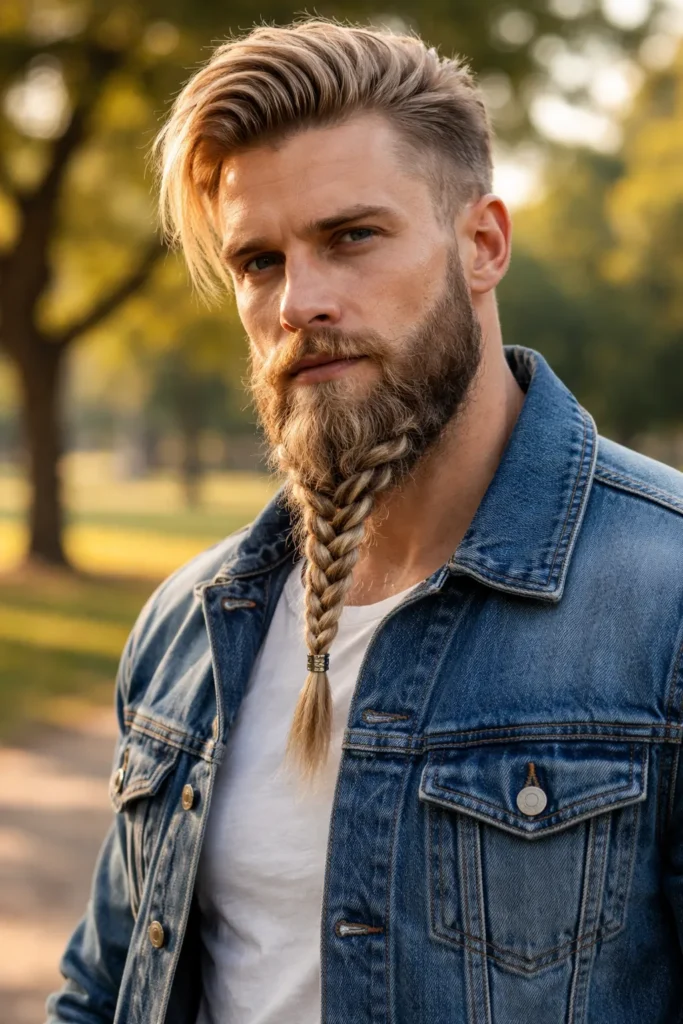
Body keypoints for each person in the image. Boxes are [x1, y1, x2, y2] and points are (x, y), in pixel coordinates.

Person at [47, 18, 683, 1024]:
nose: (299, 300)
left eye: (351, 236)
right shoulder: (189, 627)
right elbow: (102, 991)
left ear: (481, 245)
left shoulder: (662, 599)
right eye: (257, 261)